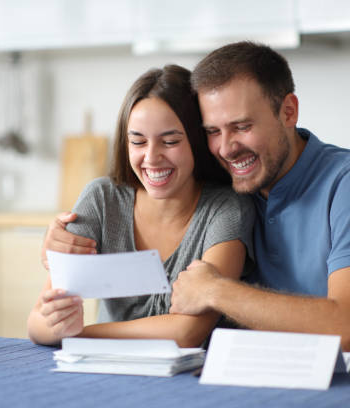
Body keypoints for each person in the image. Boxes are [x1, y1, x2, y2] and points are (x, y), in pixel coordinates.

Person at [41, 42, 350, 362]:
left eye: (242, 126)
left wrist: (216, 289)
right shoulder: (239, 186)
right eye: (212, 131)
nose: (226, 148)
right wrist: (58, 243)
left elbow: (349, 331)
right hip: (262, 381)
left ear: (288, 111)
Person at [28, 64, 255, 347]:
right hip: (107, 372)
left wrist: (80, 335)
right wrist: (55, 323)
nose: (151, 157)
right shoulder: (102, 199)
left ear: (197, 141)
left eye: (170, 141)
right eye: (137, 141)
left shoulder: (227, 209)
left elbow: (187, 332)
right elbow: (38, 322)